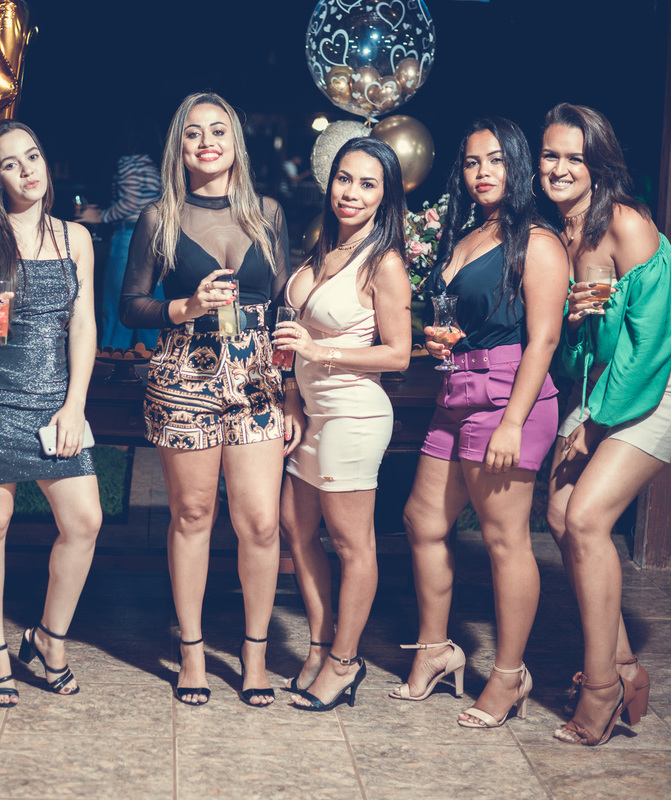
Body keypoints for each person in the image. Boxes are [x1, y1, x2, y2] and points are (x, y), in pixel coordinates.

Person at [120, 91, 298, 706]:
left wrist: (292, 388)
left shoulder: (268, 213)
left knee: (261, 522)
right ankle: (192, 652)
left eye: (218, 130)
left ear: (235, 143)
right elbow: (130, 305)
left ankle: (255, 654)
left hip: (256, 378)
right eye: (193, 133)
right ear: (180, 147)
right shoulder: (158, 218)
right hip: (185, 374)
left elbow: (284, 304)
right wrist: (187, 306)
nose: (206, 142)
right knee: (193, 515)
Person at [393, 118, 568, 729]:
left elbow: (544, 338)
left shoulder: (538, 241)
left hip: (508, 397)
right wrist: (438, 338)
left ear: (516, 166)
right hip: (456, 389)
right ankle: (436, 649)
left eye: (495, 160)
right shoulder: (466, 234)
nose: (483, 172)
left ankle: (509, 676)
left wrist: (513, 423)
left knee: (503, 540)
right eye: (471, 162)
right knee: (422, 520)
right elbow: (460, 315)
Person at [540, 103, 671, 746]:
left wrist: (595, 423)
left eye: (574, 158)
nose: (559, 168)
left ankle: (602, 687)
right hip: (605, 383)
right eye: (550, 155)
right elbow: (574, 358)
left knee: (586, 518)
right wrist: (575, 323)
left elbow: (655, 340)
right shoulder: (557, 236)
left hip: (661, 383)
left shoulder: (627, 224)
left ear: (598, 165)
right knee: (560, 515)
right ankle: (628, 666)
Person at [0, 121, 102, 706]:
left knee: (84, 521)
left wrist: (74, 403)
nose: (26, 170)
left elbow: (82, 326)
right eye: (10, 164)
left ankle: (49, 637)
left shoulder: (74, 238)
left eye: (31, 157)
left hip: (55, 398)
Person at [274, 138, 412, 711]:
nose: (351, 192)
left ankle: (345, 662)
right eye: (344, 179)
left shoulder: (384, 262)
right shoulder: (323, 250)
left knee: (353, 545)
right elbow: (294, 338)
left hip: (354, 413)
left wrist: (319, 352)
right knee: (295, 527)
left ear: (385, 196)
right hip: (312, 413)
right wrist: (291, 396)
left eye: (367, 183)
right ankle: (318, 646)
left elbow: (398, 354)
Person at [76, 118, 163, 348]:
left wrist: (100, 216)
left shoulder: (129, 162)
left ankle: (111, 361)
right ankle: (152, 360)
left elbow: (130, 203)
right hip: (158, 237)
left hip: (129, 236)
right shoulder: (158, 165)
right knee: (152, 306)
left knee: (117, 305)